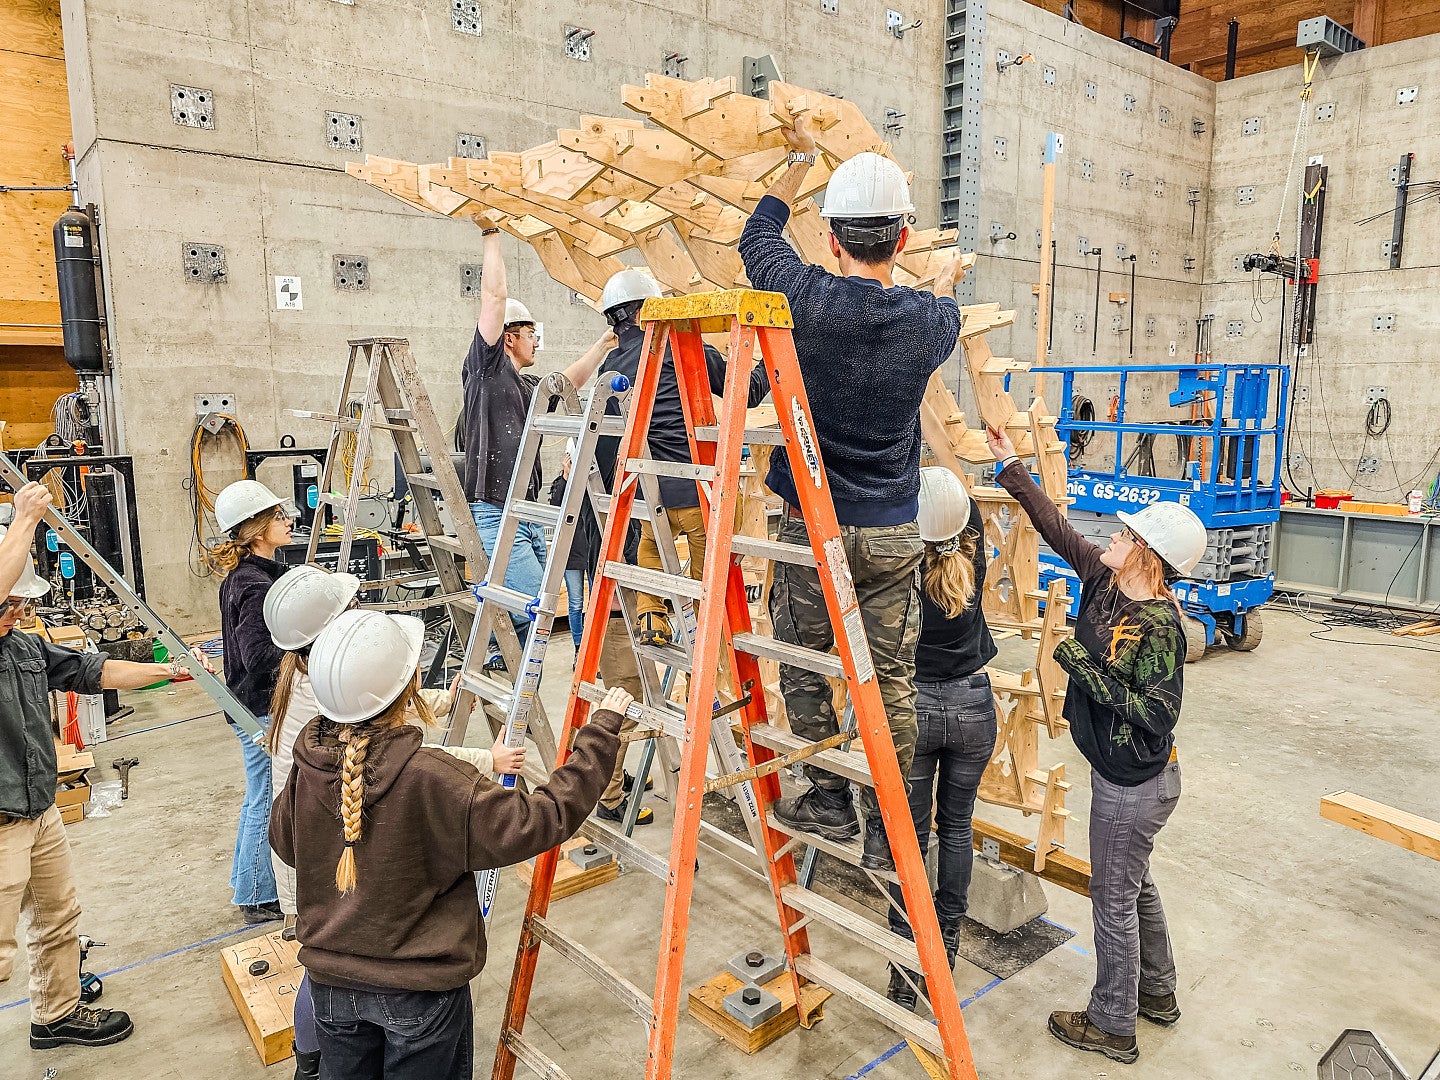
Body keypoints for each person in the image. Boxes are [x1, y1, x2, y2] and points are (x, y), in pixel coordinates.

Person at [737, 118, 967, 871]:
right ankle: (888, 823)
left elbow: (757, 238)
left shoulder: (802, 296)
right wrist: (942, 285)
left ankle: (828, 799)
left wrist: (798, 163)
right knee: (890, 680)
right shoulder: (932, 322)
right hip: (895, 531)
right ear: (901, 240)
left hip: (814, 527)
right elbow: (942, 311)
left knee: (804, 658)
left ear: (832, 239)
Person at [269, 608, 629, 1079]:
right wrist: (599, 735)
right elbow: (541, 820)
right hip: (417, 991)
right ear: (412, 681)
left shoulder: (308, 766)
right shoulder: (433, 778)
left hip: (331, 988)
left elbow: (285, 840)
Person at [986, 424, 1204, 1065]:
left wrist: (1082, 666)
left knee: (1113, 901)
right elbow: (1055, 526)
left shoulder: (1158, 626)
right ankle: (1157, 996)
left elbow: (1156, 718)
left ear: (1146, 555)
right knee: (1133, 888)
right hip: (1123, 777)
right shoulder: (1103, 582)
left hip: (1134, 784)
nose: (1112, 536)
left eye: (1125, 535)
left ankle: (1113, 1022)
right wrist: (1012, 468)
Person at [262, 568, 525, 1080]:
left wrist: (433, 700)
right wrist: (487, 761)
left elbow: (385, 750)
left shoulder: (315, 682)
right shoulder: (335, 703)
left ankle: (315, 1065)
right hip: (342, 863)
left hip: (318, 858)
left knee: (331, 975)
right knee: (345, 972)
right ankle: (310, 1063)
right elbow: (410, 767)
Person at [0, 484, 211, 1049]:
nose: (22, 610)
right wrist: (24, 519)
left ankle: (56, 1015)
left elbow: (96, 672)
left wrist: (173, 672)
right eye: (14, 601)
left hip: (39, 808)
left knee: (58, 917)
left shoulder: (24, 647)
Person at [459, 212, 615, 663]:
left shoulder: (523, 389)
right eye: (531, 334)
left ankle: (509, 673)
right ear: (508, 338)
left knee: (534, 616)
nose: (537, 343)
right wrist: (492, 234)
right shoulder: (486, 371)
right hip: (494, 510)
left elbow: (565, 383)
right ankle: (491, 652)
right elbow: (493, 298)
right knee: (530, 604)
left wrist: (603, 347)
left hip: (524, 512)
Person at [593, 268, 770, 648]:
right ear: (651, 311)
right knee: (711, 573)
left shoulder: (611, 369)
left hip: (650, 495)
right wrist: (769, 356)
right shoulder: (686, 349)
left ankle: (652, 617)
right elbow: (750, 392)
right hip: (699, 493)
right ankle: (704, 636)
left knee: (653, 549)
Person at [883, 467, 997, 1011]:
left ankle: (906, 960)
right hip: (974, 706)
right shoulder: (972, 559)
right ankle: (945, 947)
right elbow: (961, 507)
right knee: (956, 829)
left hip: (918, 709)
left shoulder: (898, 572)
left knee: (912, 835)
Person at [210, 478, 295, 924]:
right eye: (278, 516)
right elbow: (259, 655)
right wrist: (307, 645)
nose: (287, 520)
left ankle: (250, 883)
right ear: (257, 528)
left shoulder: (258, 573)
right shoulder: (252, 584)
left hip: (252, 705)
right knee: (265, 797)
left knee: (262, 793)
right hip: (258, 708)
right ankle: (257, 893)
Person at [548, 440, 592, 652]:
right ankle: (578, 646)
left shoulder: (593, 484)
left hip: (592, 551)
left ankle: (594, 646)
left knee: (596, 603)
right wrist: (566, 477)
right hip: (571, 553)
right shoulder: (559, 484)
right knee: (576, 603)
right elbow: (556, 509)